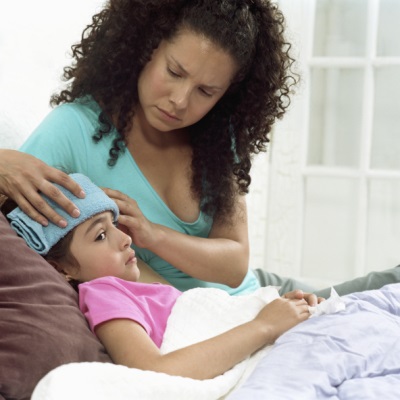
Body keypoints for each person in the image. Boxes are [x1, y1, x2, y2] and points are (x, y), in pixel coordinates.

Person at [0, 0, 398, 297]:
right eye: (174, 72)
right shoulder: (73, 130)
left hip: (259, 292)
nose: (179, 100)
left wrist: (153, 235)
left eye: (206, 91)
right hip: (225, 316)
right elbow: (17, 227)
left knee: (387, 287)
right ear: (145, 46)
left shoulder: (214, 138)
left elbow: (235, 264)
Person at [7, 173, 318, 380]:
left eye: (115, 225)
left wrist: (279, 313)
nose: (124, 238)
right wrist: (263, 325)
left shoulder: (135, 288)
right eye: (101, 235)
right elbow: (153, 371)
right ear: (63, 268)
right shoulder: (104, 295)